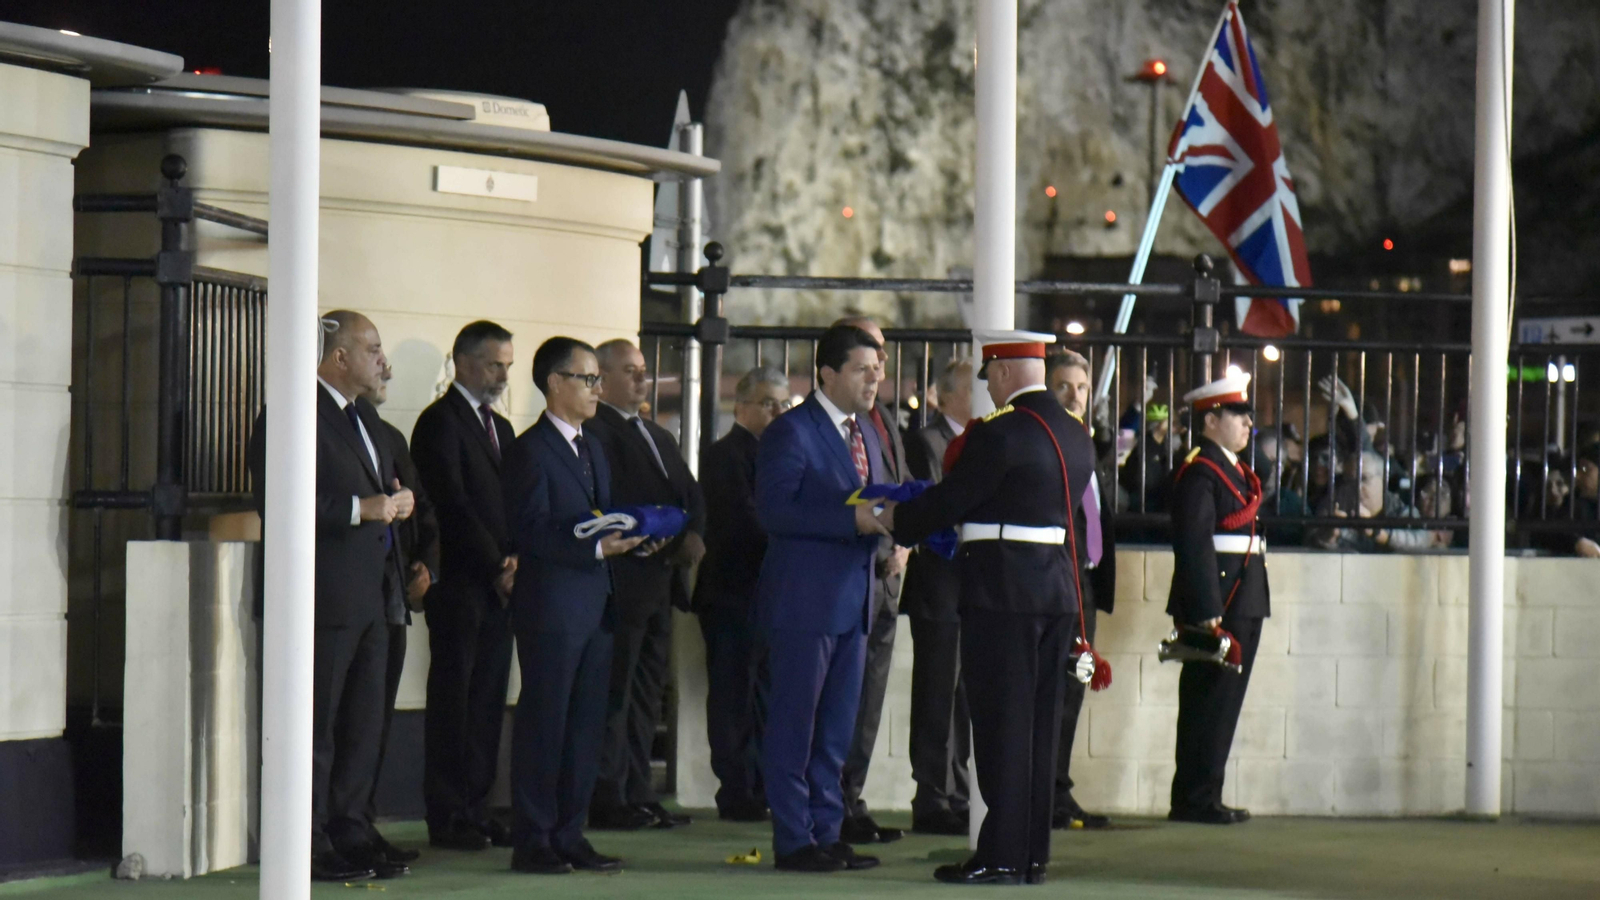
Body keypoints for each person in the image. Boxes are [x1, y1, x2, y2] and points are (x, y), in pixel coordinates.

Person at [882, 331, 1098, 886]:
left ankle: (999, 856)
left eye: (990, 378)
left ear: (1002, 374)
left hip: (1001, 592)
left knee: (1001, 729)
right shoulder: (1076, 436)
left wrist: (897, 520)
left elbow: (954, 499)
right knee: (1038, 729)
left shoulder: (1000, 434)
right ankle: (1030, 855)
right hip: (1054, 593)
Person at [248, 310, 415, 881]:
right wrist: (358, 509)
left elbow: (377, 490)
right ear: (338, 357)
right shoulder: (292, 413)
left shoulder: (363, 417)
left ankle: (350, 830)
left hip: (370, 597)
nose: (381, 359)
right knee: (316, 727)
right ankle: (308, 842)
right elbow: (283, 502)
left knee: (361, 725)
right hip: (323, 600)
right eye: (371, 348)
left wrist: (395, 500)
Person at [501, 337, 665, 875]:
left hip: (597, 604)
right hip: (552, 607)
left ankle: (571, 832)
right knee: (546, 723)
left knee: (586, 726)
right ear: (554, 383)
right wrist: (595, 545)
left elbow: (600, 513)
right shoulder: (530, 449)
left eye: (598, 379)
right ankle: (535, 839)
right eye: (587, 379)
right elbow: (530, 530)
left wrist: (632, 536)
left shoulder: (592, 445)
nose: (597, 389)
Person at [755, 323, 893, 874]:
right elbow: (774, 511)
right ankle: (794, 839)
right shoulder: (791, 432)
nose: (874, 379)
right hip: (803, 603)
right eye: (863, 369)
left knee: (837, 730)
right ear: (828, 373)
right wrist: (853, 519)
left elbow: (879, 500)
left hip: (855, 601)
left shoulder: (868, 433)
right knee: (795, 726)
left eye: (878, 369)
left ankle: (828, 832)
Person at [409, 320, 519, 851]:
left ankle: (477, 807)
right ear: (464, 362)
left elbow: (512, 500)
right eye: (496, 363)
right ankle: (448, 814)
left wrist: (515, 559)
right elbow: (451, 504)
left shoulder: (502, 428)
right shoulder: (439, 423)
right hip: (460, 586)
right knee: (454, 702)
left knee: (488, 701)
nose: (504, 374)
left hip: (499, 588)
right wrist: (497, 560)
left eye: (507, 364)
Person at [587, 338, 705, 830]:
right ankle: (608, 793)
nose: (643, 378)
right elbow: (612, 498)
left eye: (644, 370)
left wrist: (688, 536)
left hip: (660, 579)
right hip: (621, 580)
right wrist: (643, 535)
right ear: (603, 379)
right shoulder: (596, 432)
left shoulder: (658, 435)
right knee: (615, 692)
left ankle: (639, 789)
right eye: (630, 371)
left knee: (647, 691)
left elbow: (689, 493)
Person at [1167, 372, 1268, 826]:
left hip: (1241, 597)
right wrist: (1208, 611)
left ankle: (1207, 792)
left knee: (1224, 704)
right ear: (1211, 420)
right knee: (1207, 704)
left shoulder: (1232, 469)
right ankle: (1193, 798)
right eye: (1239, 415)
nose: (1248, 424)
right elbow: (1193, 543)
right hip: (1219, 602)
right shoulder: (1201, 470)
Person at [692, 367, 790, 822]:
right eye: (768, 402)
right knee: (733, 694)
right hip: (733, 592)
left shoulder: (780, 454)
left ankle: (762, 784)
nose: (778, 411)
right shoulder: (724, 455)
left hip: (769, 594)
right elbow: (744, 522)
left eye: (784, 403)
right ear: (742, 406)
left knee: (767, 694)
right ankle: (735, 788)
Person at [830, 316, 911, 846]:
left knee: (870, 697)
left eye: (880, 358)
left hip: (887, 575)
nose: (878, 367)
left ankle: (851, 799)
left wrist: (903, 543)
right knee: (837, 697)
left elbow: (898, 489)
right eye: (867, 358)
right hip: (843, 578)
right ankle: (829, 804)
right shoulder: (827, 424)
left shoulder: (879, 420)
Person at [361, 362, 438, 867]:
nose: (386, 366)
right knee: (343, 726)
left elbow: (423, 505)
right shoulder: (305, 421)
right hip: (349, 597)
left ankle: (359, 823)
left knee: (373, 722)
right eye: (373, 352)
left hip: (391, 597)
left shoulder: (386, 434)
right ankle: (329, 829)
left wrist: (427, 561)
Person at [900, 358, 973, 836]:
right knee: (936, 694)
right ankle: (931, 795)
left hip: (971, 588)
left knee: (964, 698)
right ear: (943, 398)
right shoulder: (927, 441)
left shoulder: (982, 441)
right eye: (971, 388)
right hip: (938, 586)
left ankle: (959, 791)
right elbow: (935, 506)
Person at [1044, 351, 1116, 830]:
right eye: (1064, 386)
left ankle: (1057, 790)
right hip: (1053, 581)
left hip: (1082, 582)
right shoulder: (1046, 440)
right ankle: (1044, 793)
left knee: (1072, 691)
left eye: (1082, 388)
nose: (1075, 396)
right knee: (1049, 695)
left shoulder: (1084, 442)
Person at [1306, 450, 1437, 552]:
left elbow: (1424, 538)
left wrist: (1378, 533)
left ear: (1382, 480)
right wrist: (1327, 537)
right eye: (1350, 481)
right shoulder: (1335, 505)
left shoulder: (1398, 509)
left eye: (1364, 479)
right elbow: (1307, 542)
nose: (1357, 487)